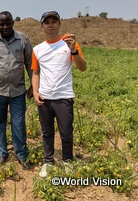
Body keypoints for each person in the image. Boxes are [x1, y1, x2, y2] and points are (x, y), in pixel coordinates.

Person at [31, 11, 87, 177]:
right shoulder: (37, 49)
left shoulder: (69, 44)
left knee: (66, 132)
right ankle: (48, 162)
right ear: (42, 26)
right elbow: (35, 72)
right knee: (47, 132)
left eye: (54, 22)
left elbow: (82, 67)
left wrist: (73, 51)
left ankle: (67, 160)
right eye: (46, 22)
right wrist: (35, 92)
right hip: (45, 97)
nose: (50, 25)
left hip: (63, 97)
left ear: (59, 24)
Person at [0, 11, 33, 170]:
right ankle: (2, 153)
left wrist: (33, 85)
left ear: (13, 23)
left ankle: (21, 154)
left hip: (18, 91)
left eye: (8, 23)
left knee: (18, 124)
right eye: (1, 24)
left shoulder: (23, 39)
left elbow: (30, 64)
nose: (5, 26)